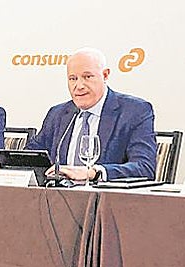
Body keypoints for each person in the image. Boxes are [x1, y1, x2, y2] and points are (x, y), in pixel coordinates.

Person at [21, 48, 156, 182]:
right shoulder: (57, 114)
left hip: (107, 200)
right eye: (73, 78)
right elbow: (28, 157)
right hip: (57, 199)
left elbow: (145, 168)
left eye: (87, 77)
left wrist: (94, 173)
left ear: (105, 75)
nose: (79, 86)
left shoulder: (134, 111)